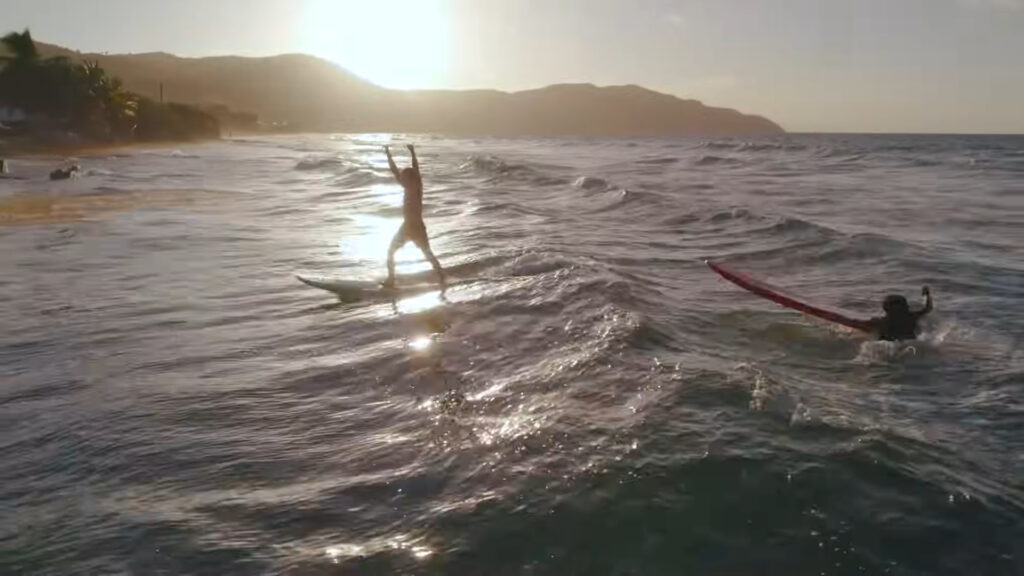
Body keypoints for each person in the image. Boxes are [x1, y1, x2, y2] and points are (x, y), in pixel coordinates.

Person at [381, 143, 445, 290]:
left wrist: (413, 153)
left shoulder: (417, 188)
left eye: (404, 178)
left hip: (415, 227)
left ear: (411, 179)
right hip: (407, 227)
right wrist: (388, 154)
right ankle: (391, 280)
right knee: (391, 252)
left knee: (428, 254)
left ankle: (441, 277)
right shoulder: (407, 187)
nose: (401, 179)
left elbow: (416, 169)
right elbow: (394, 171)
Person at [862, 286, 933, 341]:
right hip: (911, 343)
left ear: (885, 308)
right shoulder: (912, 317)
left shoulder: (880, 323)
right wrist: (927, 295)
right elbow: (928, 308)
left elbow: (854, 323)